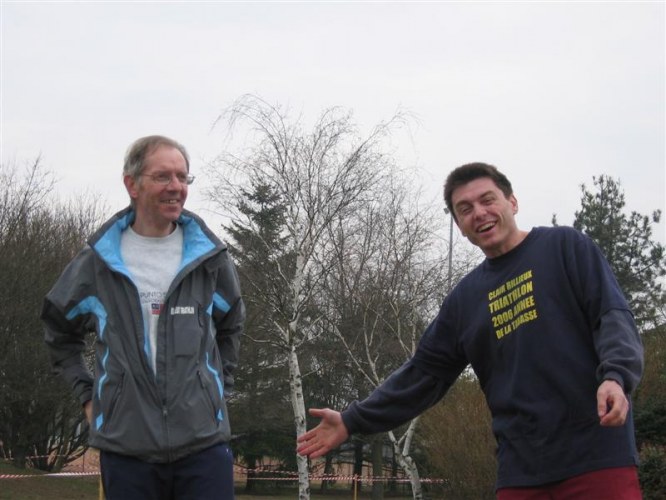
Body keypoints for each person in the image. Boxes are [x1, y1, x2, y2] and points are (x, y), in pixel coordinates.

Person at [297, 162, 644, 499]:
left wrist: (616, 376)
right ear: (460, 226)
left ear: (512, 202)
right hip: (521, 471)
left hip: (596, 455)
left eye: (487, 200)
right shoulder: (465, 300)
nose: (479, 213)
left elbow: (611, 315)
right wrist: (352, 420)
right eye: (465, 209)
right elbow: (422, 375)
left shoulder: (565, 247)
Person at [42, 135, 245, 499]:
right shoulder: (96, 264)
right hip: (126, 449)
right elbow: (59, 330)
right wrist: (87, 395)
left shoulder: (211, 260)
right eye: (163, 176)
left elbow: (231, 325)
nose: (176, 187)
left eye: (182, 177)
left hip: (203, 446)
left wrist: (215, 390)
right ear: (131, 184)